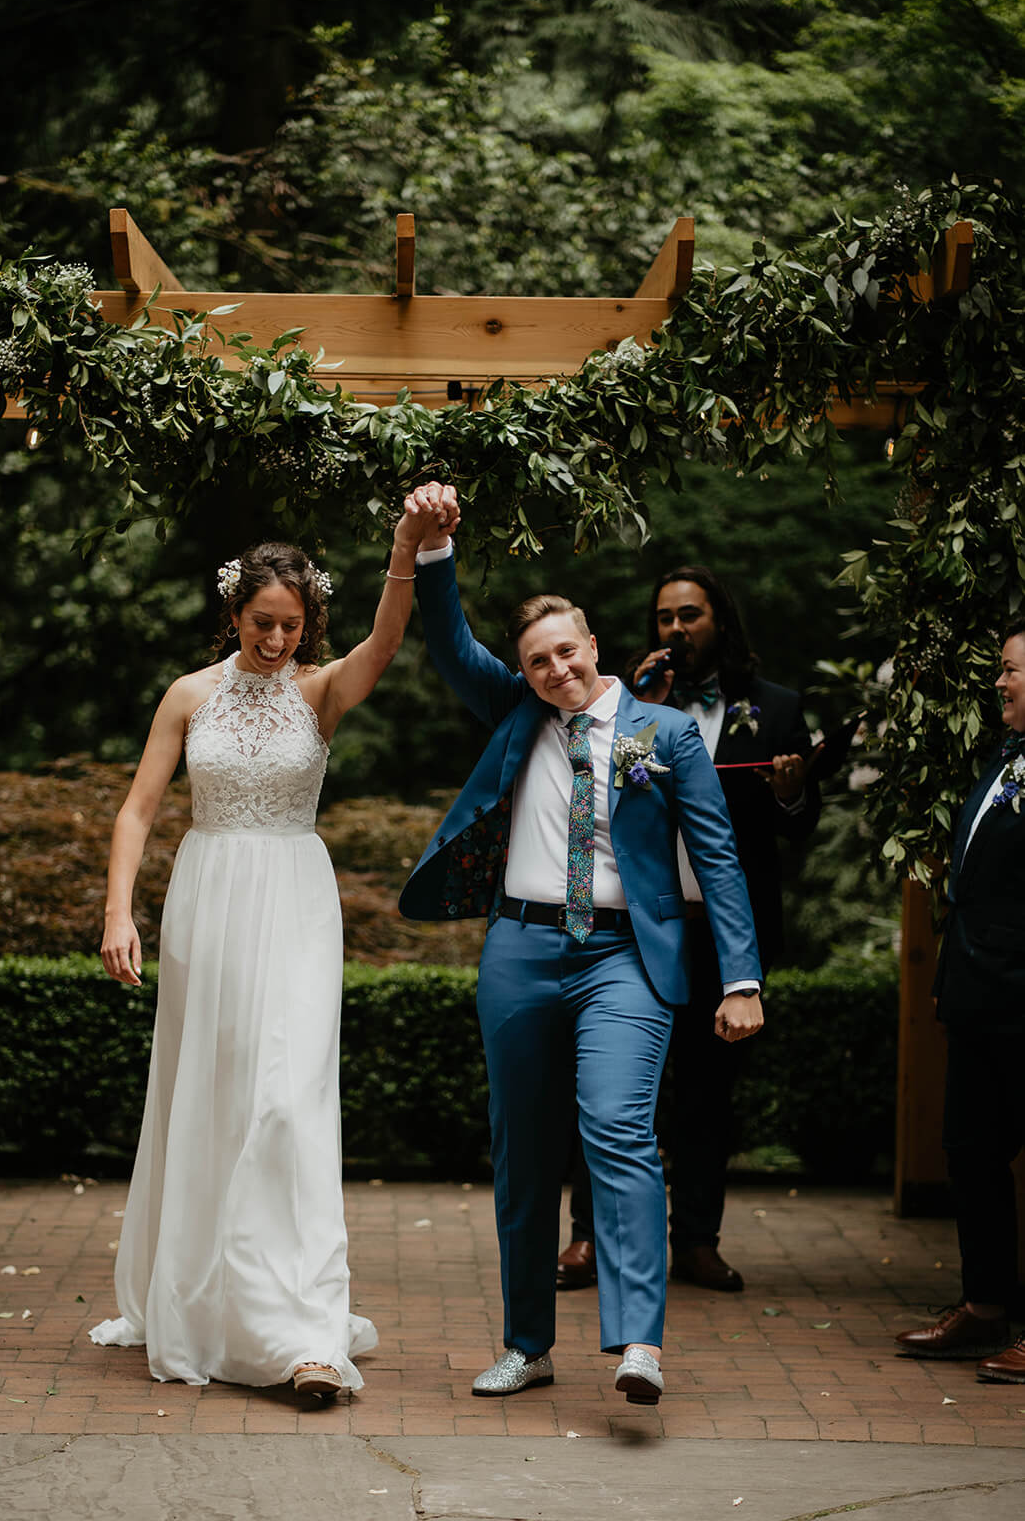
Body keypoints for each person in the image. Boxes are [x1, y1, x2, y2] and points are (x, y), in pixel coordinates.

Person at [398, 485, 763, 1405]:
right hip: (519, 952)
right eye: (536, 660)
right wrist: (433, 549)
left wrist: (741, 977)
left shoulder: (665, 735)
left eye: (566, 650)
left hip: (623, 958)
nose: (555, 669)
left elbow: (715, 860)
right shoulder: (515, 711)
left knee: (618, 1128)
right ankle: (526, 1345)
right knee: (523, 1152)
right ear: (522, 673)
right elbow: (447, 642)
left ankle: (639, 1340)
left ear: (593, 645)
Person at [92, 491, 447, 1397]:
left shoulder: (322, 690)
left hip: (294, 899)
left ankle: (300, 1330)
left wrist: (405, 545)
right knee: (212, 1094)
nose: (276, 641)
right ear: (235, 612)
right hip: (208, 898)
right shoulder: (188, 695)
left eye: (292, 625)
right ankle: (210, 1300)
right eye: (262, 622)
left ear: (308, 622)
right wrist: (118, 911)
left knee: (287, 1099)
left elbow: (386, 642)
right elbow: (138, 809)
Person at [559, 565, 820, 1295]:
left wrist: (792, 794)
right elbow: (605, 801)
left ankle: (696, 1241)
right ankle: (586, 1236)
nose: (676, 628)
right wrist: (639, 706)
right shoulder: (632, 709)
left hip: (723, 930)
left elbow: (799, 832)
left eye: (691, 615)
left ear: (720, 622)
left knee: (709, 1093)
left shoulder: (774, 709)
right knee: (610, 1081)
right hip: (639, 923)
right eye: (665, 616)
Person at [895, 619, 1025, 1383]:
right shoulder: (1007, 756)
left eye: (1011, 669)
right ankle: (983, 1306)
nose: (1000, 683)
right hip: (980, 993)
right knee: (969, 1149)